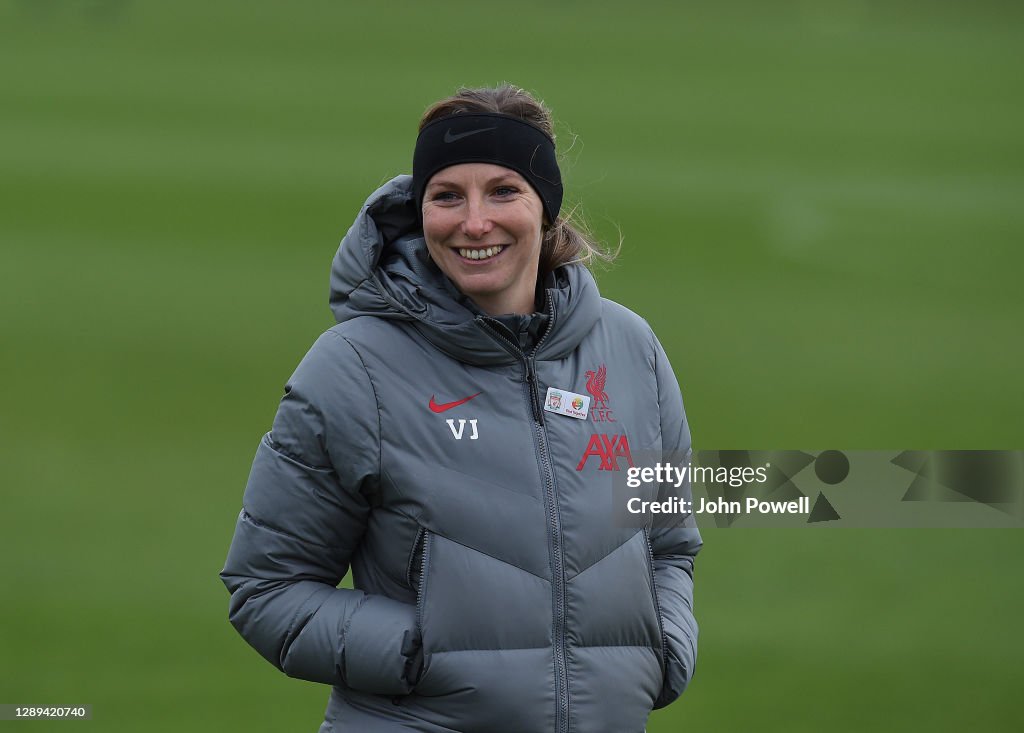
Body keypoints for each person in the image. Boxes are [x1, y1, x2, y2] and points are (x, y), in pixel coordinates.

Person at [220, 83, 701, 733]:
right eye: (447, 196)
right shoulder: (354, 367)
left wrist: (662, 650)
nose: (475, 222)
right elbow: (266, 589)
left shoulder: (630, 349)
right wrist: (417, 650)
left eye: (503, 190)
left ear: (546, 205)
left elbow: (668, 543)